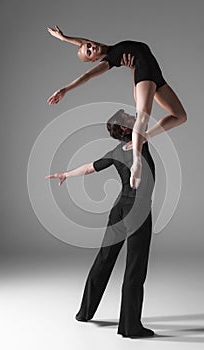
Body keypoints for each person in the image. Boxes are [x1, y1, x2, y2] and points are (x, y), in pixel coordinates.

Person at [45, 110, 156, 338]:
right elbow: (143, 114)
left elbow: (89, 167)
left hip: (119, 209)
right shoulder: (139, 142)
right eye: (128, 118)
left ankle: (84, 313)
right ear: (126, 129)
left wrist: (66, 174)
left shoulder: (116, 151)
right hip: (138, 210)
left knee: (105, 259)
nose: (133, 118)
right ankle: (130, 327)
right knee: (135, 267)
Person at [46, 25, 187, 190]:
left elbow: (82, 43)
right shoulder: (110, 59)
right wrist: (65, 89)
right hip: (144, 75)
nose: (91, 47)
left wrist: (65, 38)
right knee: (142, 117)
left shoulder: (112, 49)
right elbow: (87, 76)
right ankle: (137, 164)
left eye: (89, 45)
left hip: (155, 75)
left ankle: (142, 137)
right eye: (89, 52)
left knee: (180, 116)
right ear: (93, 60)